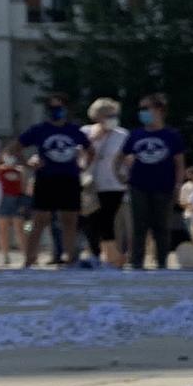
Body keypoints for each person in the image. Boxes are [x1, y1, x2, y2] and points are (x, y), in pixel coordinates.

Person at [17, 93, 92, 271]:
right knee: (40, 220)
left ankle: (69, 258)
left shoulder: (74, 131)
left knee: (70, 219)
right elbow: (14, 148)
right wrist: (27, 164)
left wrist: (82, 166)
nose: (56, 111)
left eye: (59, 107)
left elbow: (91, 150)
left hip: (69, 178)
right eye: (52, 108)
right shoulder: (39, 129)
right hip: (46, 178)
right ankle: (29, 259)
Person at [118, 94, 186, 270]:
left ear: (160, 110)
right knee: (139, 225)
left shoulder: (172, 135)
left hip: (164, 186)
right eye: (141, 109)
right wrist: (120, 176)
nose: (142, 112)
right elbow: (119, 158)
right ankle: (137, 262)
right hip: (138, 186)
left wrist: (178, 186)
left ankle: (162, 262)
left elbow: (179, 164)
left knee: (161, 227)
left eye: (146, 108)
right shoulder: (136, 135)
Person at [82, 98, 128, 268]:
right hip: (91, 184)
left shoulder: (122, 134)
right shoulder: (86, 132)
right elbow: (79, 154)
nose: (112, 118)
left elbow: (127, 158)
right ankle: (96, 254)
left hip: (114, 185)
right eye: (108, 115)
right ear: (98, 116)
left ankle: (112, 256)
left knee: (106, 220)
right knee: (91, 220)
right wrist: (94, 140)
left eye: (114, 114)